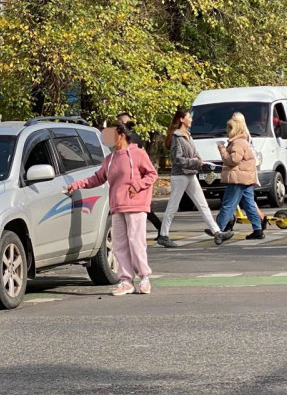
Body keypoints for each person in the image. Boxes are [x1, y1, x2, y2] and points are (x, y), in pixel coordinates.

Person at [66, 122, 158, 296]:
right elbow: (97, 178)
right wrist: (77, 185)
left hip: (136, 205)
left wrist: (137, 185)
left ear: (121, 135)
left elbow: (152, 174)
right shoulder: (109, 159)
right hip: (117, 206)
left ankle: (144, 277)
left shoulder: (138, 154)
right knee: (119, 245)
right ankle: (126, 281)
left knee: (136, 242)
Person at [157, 111, 233, 248]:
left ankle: (217, 232)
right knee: (173, 206)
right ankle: (163, 235)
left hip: (191, 174)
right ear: (182, 119)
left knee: (203, 204)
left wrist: (198, 160)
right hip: (180, 176)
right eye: (189, 117)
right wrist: (194, 161)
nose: (191, 119)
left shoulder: (188, 135)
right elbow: (177, 159)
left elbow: (195, 153)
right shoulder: (177, 137)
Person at [215, 118, 264, 240]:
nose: (227, 130)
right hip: (246, 178)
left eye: (229, 128)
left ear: (234, 129)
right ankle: (258, 229)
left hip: (238, 179)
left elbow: (233, 160)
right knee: (249, 205)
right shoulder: (242, 141)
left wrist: (222, 149)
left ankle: (219, 230)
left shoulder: (238, 143)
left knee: (228, 204)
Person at [117, 112, 163, 239]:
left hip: (136, 180)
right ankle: (161, 228)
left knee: (141, 209)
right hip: (132, 180)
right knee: (144, 209)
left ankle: (161, 228)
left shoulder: (132, 138)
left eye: (119, 123)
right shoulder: (133, 136)